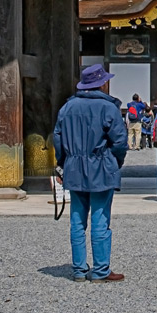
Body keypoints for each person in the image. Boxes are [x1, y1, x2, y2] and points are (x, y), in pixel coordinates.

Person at [53, 63, 127, 283]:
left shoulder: (67, 107)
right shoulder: (108, 108)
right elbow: (120, 141)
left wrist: (62, 163)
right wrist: (114, 160)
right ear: (102, 83)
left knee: (77, 219)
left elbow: (57, 138)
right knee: (100, 218)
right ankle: (101, 269)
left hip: (74, 165)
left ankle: (79, 269)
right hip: (101, 164)